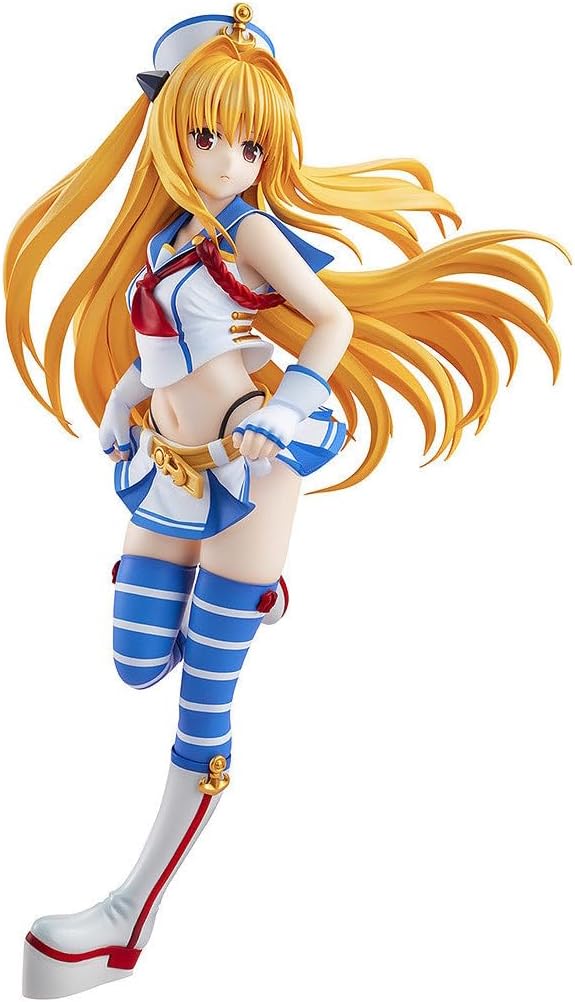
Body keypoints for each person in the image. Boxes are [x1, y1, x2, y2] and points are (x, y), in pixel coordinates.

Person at [4, 6, 566, 998]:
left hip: (248, 468)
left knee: (200, 706)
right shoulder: (169, 235)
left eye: (249, 144)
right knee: (134, 661)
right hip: (168, 468)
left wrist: (289, 402)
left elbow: (331, 319)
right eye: (206, 135)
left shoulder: (250, 230)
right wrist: (124, 400)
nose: (228, 161)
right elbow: (162, 343)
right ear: (167, 128)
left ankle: (128, 918)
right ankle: (254, 597)